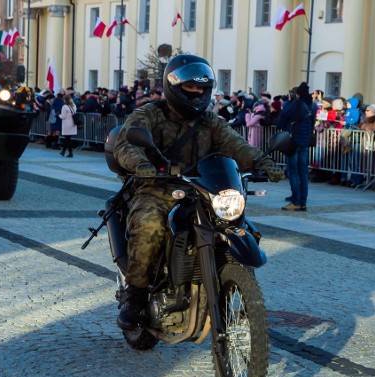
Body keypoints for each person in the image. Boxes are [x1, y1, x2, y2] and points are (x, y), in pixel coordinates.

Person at [112, 54, 285, 330]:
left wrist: (263, 161)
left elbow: (236, 145)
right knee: (149, 226)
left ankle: (234, 283)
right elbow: (126, 143)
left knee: (238, 224)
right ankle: (136, 295)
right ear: (173, 87)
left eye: (203, 89)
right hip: (158, 188)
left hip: (203, 190)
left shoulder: (210, 122)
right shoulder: (150, 114)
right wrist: (142, 164)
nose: (197, 93)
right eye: (191, 88)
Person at [277, 82, 314, 211]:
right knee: (303, 173)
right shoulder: (311, 105)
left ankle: (296, 201)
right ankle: (303, 201)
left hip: (294, 141)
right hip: (305, 141)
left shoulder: (296, 104)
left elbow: (283, 115)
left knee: (293, 172)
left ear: (298, 94)